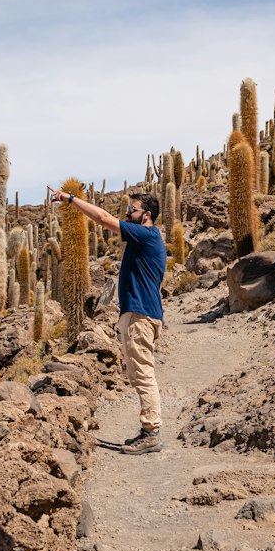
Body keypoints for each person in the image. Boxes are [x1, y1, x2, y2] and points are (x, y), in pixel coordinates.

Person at [48, 187, 167, 453]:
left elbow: (102, 218)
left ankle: (151, 433)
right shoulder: (145, 238)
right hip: (141, 313)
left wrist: (70, 199)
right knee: (139, 374)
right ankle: (148, 430)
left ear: (146, 215)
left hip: (140, 315)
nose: (127, 214)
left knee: (144, 374)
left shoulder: (146, 234)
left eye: (131, 210)